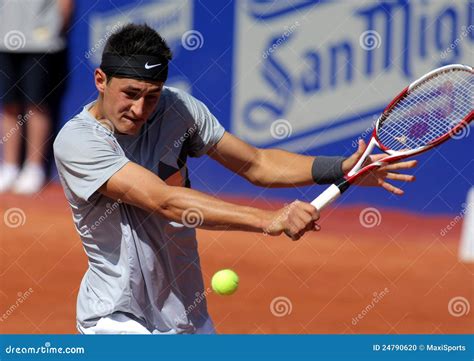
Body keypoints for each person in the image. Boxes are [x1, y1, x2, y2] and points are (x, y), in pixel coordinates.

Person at [53, 23, 417, 334]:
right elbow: (165, 200)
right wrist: (268, 219)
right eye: (130, 94)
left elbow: (256, 163)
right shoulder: (78, 142)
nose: (140, 109)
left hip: (186, 318)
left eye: (151, 96)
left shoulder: (178, 108)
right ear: (101, 80)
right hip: (118, 319)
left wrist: (341, 168)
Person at [0, 0, 74, 194]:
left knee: (36, 105)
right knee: (9, 105)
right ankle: (9, 167)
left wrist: (52, 30)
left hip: (40, 42)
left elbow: (65, 4)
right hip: (3, 41)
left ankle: (34, 168)